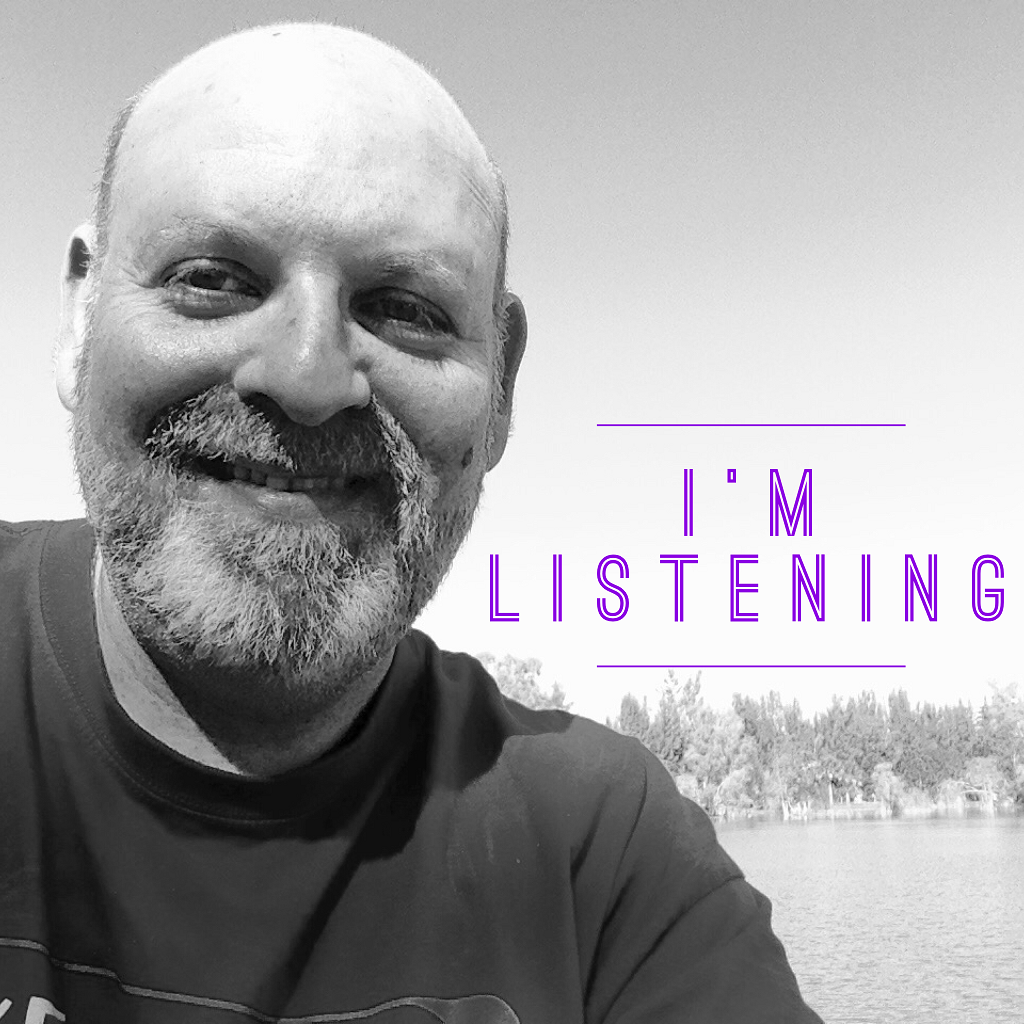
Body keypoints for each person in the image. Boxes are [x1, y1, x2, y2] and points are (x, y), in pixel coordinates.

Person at [0, 22, 823, 1023]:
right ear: (80, 319)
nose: (307, 378)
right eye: (211, 278)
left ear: (502, 387)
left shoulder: (603, 865)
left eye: (405, 309)